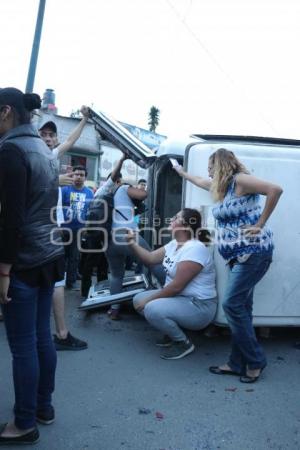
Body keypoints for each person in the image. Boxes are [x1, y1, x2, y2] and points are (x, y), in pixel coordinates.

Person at [174, 148, 283, 381]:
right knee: (242, 309)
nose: (209, 171)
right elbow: (199, 180)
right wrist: (181, 172)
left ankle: (255, 362)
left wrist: (260, 224)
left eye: (211, 166)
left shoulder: (241, 181)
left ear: (221, 164)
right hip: (237, 256)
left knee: (232, 306)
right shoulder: (224, 189)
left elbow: (275, 190)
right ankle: (236, 363)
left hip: (254, 252)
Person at [0, 87, 65, 444]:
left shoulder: (11, 150)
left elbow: (11, 218)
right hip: (49, 255)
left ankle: (24, 421)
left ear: (6, 111)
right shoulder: (44, 148)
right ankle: (43, 406)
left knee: (23, 345)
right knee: (41, 338)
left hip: (23, 260)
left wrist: (3, 271)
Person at [130, 208, 217, 359]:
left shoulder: (194, 249)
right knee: (138, 299)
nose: (171, 219)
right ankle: (172, 332)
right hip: (180, 299)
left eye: (176, 217)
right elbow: (150, 259)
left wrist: (148, 301)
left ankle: (183, 343)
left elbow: (176, 287)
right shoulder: (175, 244)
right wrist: (132, 243)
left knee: (150, 307)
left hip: (199, 306)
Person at [39, 108, 90, 350]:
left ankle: (60, 332)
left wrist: (85, 119)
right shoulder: (28, 155)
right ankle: (59, 333)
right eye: (43, 134)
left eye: (51, 135)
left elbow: (72, 139)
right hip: (36, 228)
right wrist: (54, 181)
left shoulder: (53, 156)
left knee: (55, 279)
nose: (47, 138)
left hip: (52, 228)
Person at [105, 171, 166, 320]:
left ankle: (114, 309)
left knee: (116, 274)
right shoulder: (122, 188)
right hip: (127, 235)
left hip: (109, 239)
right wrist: (143, 188)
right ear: (118, 181)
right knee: (153, 261)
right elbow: (142, 195)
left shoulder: (104, 193)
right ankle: (173, 291)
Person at [80, 153, 128, 298]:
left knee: (103, 264)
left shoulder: (113, 196)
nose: (120, 185)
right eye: (119, 182)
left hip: (103, 233)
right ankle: (85, 292)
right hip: (95, 233)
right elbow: (114, 176)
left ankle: (102, 291)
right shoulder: (106, 188)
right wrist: (121, 160)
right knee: (91, 263)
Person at [61, 166, 94, 289]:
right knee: (60, 256)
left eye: (81, 175)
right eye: (76, 174)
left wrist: (87, 226)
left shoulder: (89, 192)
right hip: (64, 229)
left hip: (80, 229)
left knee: (75, 257)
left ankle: (71, 281)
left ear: (85, 177)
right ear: (72, 176)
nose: (79, 177)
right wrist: (59, 226)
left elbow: (90, 212)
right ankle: (58, 281)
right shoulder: (64, 190)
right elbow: (57, 209)